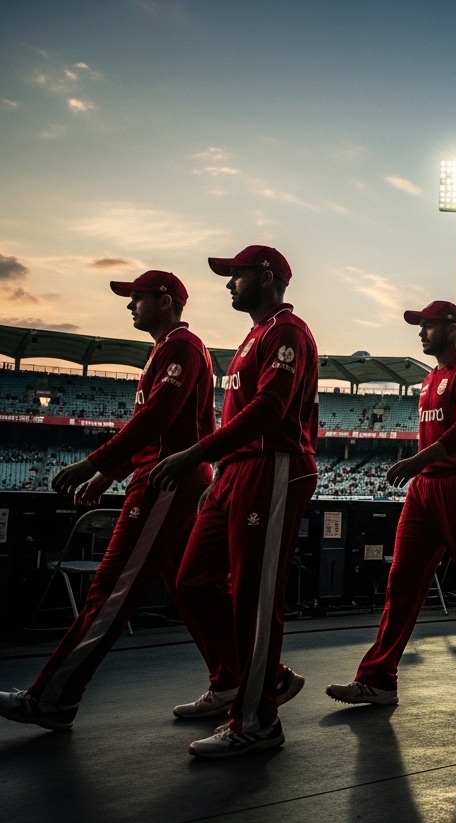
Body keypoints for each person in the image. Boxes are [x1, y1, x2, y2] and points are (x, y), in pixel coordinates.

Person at [0, 271, 215, 731]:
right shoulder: (169, 348)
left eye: (137, 298)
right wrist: (109, 473)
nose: (130, 306)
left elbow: (157, 419)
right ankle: (240, 678)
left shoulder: (181, 345)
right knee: (191, 588)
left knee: (112, 589)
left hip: (164, 481)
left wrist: (93, 462)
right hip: (169, 478)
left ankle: (52, 698)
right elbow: (157, 427)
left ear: (164, 301)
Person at [151, 245, 318, 758]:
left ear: (265, 277)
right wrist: (221, 470)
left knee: (254, 596)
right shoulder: (254, 336)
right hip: (238, 470)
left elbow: (269, 409)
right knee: (192, 579)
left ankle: (257, 721)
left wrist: (198, 453)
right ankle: (259, 679)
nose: (229, 283)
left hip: (273, 465)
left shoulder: (287, 332)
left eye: (237, 275)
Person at [327, 301, 456, 705]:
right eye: (420, 326)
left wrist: (417, 461)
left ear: (452, 329)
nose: (421, 332)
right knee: (402, 580)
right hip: (424, 489)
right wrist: (421, 468)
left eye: (429, 325)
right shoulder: (430, 378)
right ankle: (379, 679)